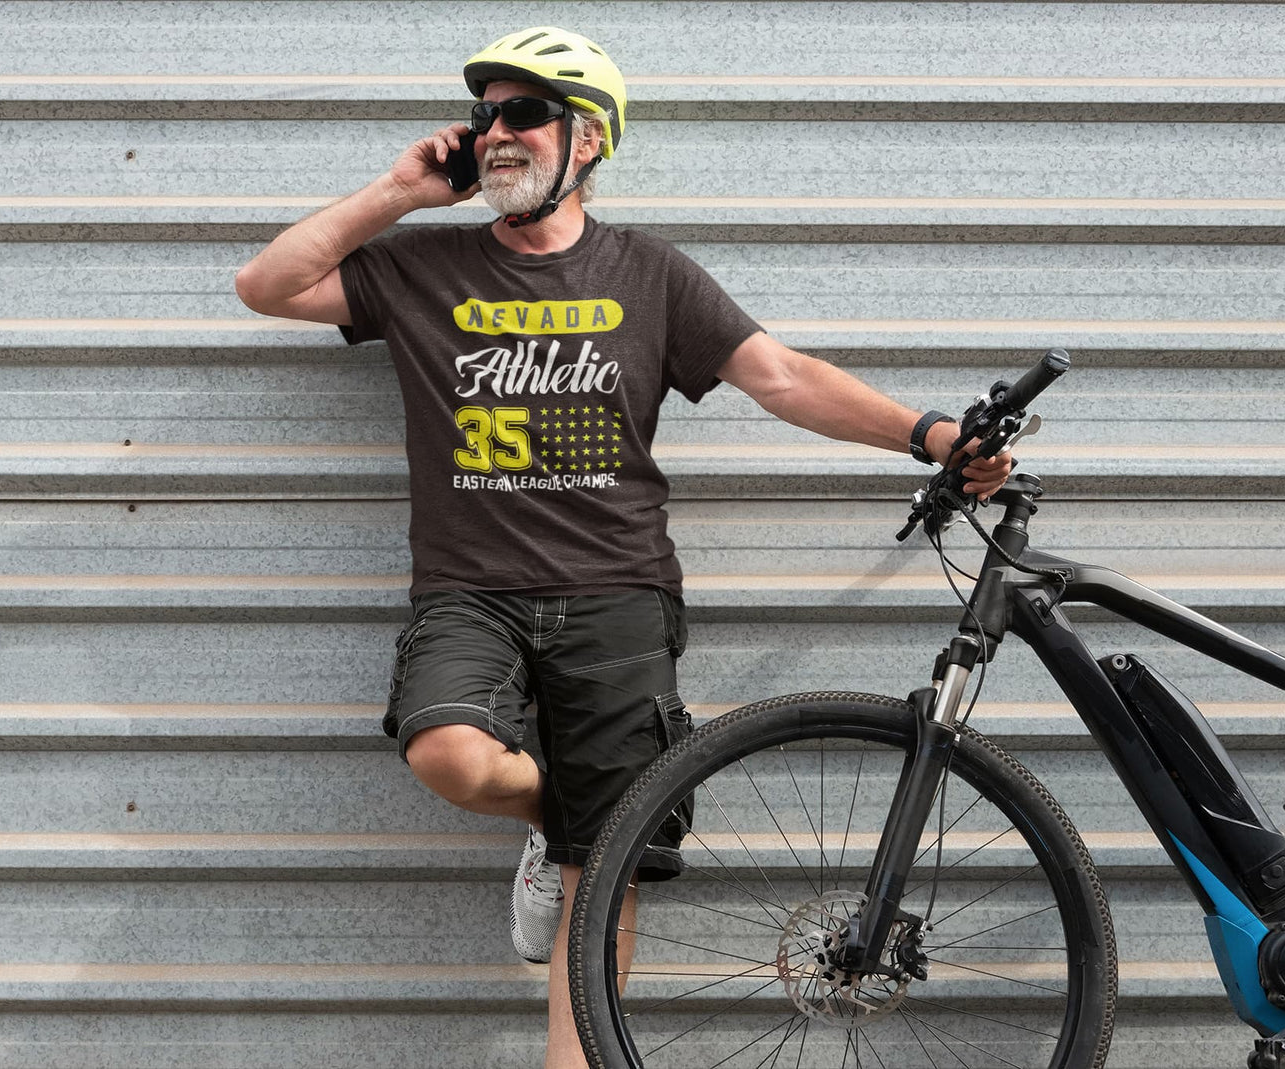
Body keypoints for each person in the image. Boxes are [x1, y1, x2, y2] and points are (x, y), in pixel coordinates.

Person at [235, 25, 1012, 1068]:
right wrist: (398, 192)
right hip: (472, 592)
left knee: (611, 867)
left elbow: (781, 377)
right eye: (484, 116)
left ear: (588, 138)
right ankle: (565, 819)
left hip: (619, 593)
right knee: (455, 757)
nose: (495, 135)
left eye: (522, 115)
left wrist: (927, 434)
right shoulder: (424, 266)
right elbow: (267, 286)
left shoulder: (649, 274)